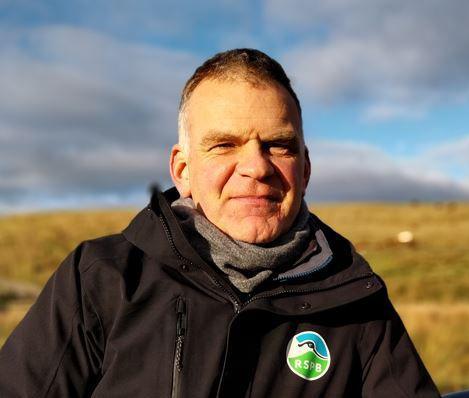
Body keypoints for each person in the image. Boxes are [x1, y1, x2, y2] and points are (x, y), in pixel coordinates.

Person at [0, 48, 440, 397]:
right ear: (182, 168)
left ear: (304, 169)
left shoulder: (356, 300)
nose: (256, 166)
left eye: (278, 145)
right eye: (224, 145)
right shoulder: (101, 278)